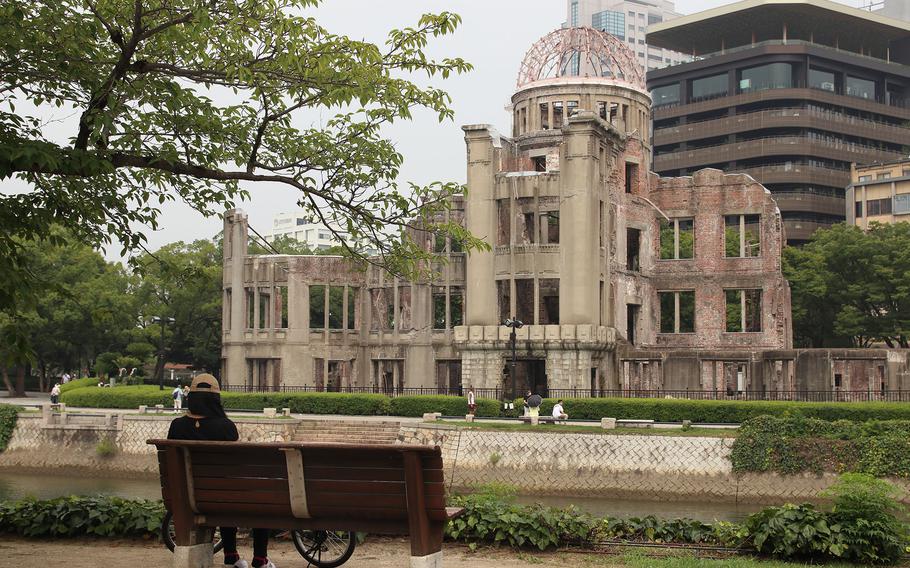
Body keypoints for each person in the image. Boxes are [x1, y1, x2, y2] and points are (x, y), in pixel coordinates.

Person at [167, 374, 276, 568]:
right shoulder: (226, 428)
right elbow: (234, 467)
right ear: (216, 400)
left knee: (223, 493)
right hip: (223, 496)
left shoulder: (177, 426)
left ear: (190, 397)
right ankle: (260, 559)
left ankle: (232, 555)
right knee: (256, 500)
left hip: (186, 497)